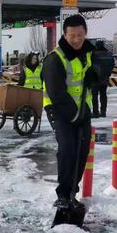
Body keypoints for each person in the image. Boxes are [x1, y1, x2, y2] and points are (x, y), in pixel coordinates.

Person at [42, 14, 98, 211]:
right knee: (67, 149)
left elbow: (101, 73)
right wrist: (75, 115)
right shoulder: (54, 59)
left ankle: (72, 193)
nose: (76, 40)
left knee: (82, 152)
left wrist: (97, 75)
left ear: (85, 33)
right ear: (64, 35)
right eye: (72, 35)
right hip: (59, 110)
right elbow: (56, 94)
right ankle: (63, 195)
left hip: (83, 110)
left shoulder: (90, 53)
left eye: (80, 35)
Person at [91, 41, 114, 118]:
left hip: (95, 78)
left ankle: (95, 113)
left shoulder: (93, 54)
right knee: (103, 95)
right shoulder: (109, 54)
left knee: (94, 96)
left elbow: (90, 65)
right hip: (105, 78)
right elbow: (112, 65)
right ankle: (103, 112)